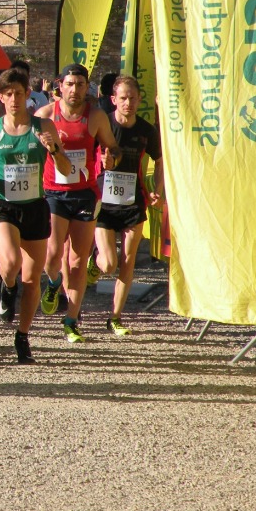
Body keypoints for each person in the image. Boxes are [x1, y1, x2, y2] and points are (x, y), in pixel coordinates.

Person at [0, 68, 68, 363]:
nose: (14, 99)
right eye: (9, 94)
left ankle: (22, 336)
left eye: (19, 93)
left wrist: (53, 149)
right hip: (3, 205)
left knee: (33, 279)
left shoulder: (43, 126)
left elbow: (64, 168)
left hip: (35, 206)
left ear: (28, 95)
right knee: (10, 262)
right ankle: (7, 286)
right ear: (0, 97)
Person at [35, 62, 121, 344]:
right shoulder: (45, 115)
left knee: (77, 260)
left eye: (80, 85)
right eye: (69, 84)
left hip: (84, 193)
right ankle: (53, 283)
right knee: (52, 255)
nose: (74, 90)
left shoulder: (95, 116)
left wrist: (110, 158)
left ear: (87, 87)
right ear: (59, 86)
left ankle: (71, 320)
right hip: (53, 192)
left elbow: (113, 147)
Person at [92, 76, 164, 336]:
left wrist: (157, 189)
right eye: (123, 98)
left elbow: (160, 160)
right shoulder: (104, 125)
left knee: (128, 261)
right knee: (109, 265)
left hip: (133, 202)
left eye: (133, 98)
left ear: (140, 100)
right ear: (113, 100)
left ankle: (116, 317)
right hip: (104, 202)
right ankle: (95, 259)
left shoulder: (146, 130)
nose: (128, 103)